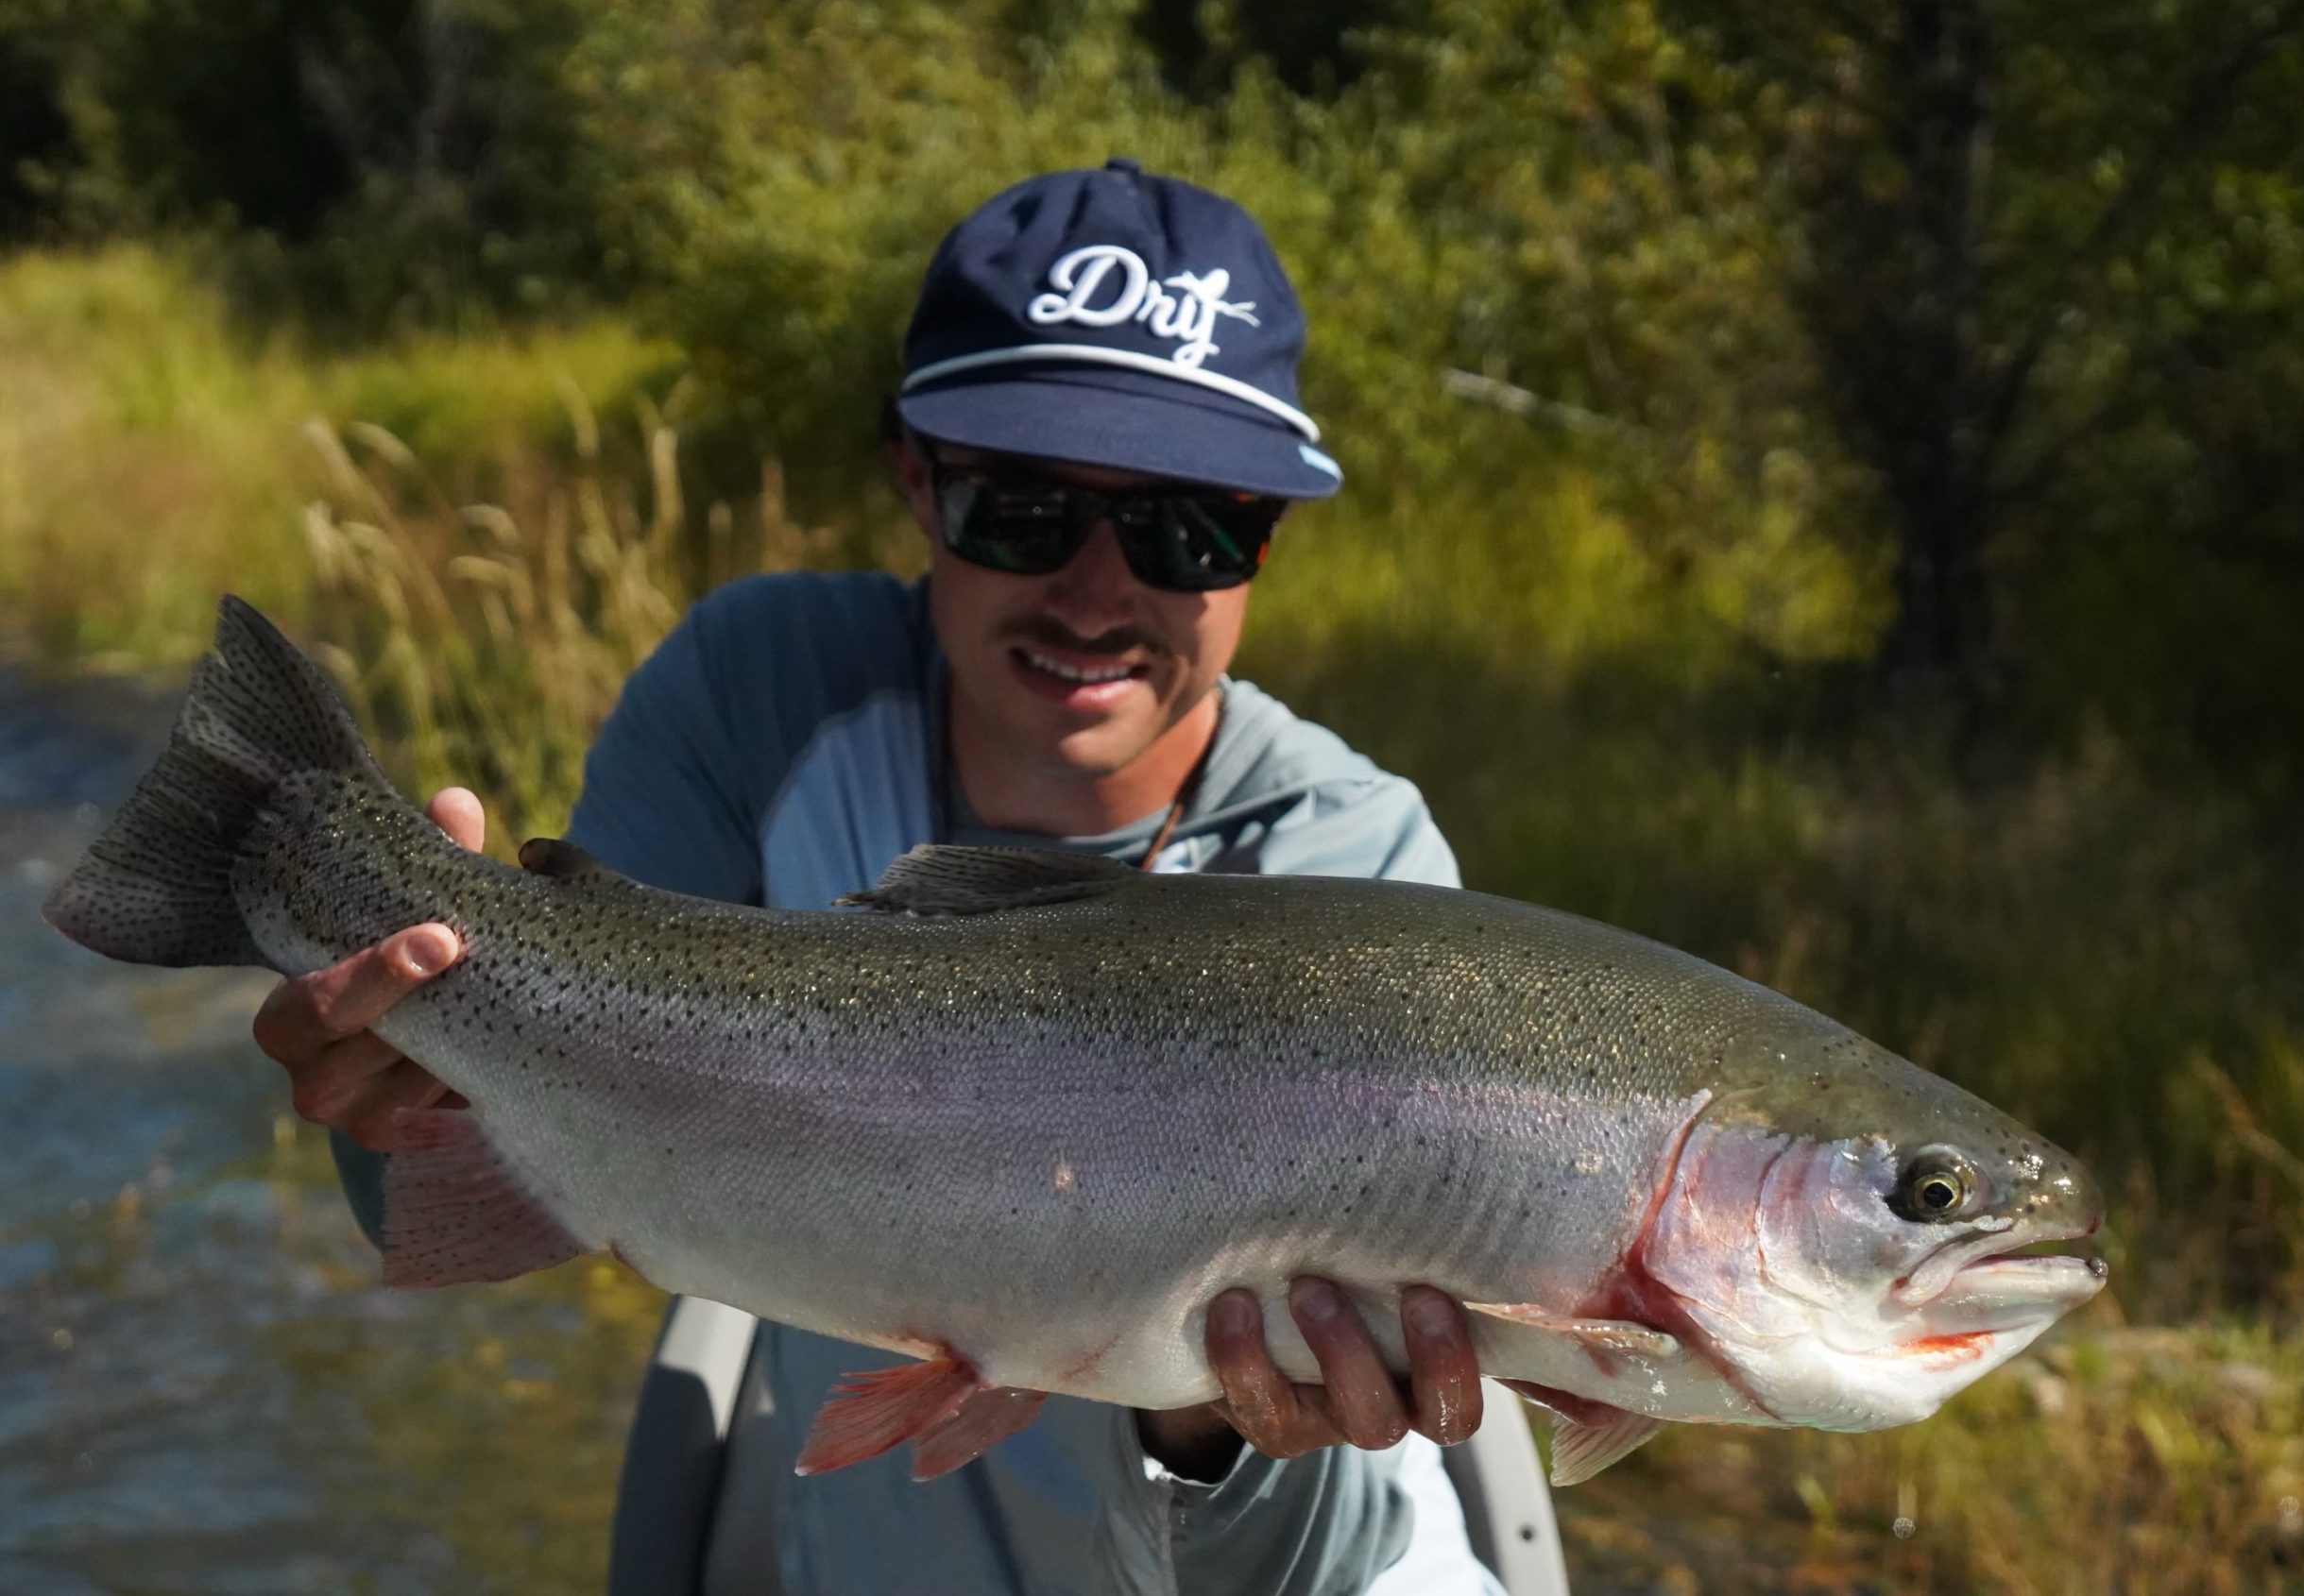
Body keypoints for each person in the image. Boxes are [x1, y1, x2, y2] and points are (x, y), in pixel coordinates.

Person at [250, 158, 1560, 1594]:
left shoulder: (1355, 872)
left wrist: (1218, 1431)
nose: (1096, 590)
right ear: (915, 482)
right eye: (1023, 507)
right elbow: (473, 1173)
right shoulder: (762, 693)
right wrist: (398, 1075)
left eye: (1187, 525)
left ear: (1265, 537)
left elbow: (1308, 1571)